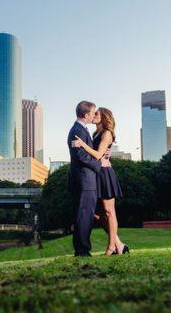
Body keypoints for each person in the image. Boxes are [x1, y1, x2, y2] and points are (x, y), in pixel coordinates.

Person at [72, 107, 129, 255]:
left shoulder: (107, 133)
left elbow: (97, 155)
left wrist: (83, 145)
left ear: (104, 117)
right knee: (98, 214)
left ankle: (112, 246)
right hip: (96, 173)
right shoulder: (94, 133)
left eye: (97, 114)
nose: (94, 115)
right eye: (93, 113)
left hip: (105, 174)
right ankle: (119, 244)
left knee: (109, 212)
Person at [67, 101, 109, 257]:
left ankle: (81, 249)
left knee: (83, 215)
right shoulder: (78, 130)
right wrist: (100, 164)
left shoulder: (80, 130)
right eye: (92, 113)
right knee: (84, 216)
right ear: (86, 115)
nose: (94, 115)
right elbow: (81, 155)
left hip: (84, 179)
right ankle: (83, 251)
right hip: (84, 180)